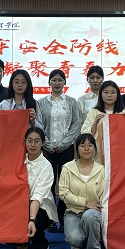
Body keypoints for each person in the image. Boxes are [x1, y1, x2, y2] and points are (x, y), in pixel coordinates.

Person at [37, 69, 82, 232]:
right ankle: (49, 219)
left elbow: (76, 124)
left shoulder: (72, 102)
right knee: (47, 184)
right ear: (49, 82)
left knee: (65, 184)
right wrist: (47, 144)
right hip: (47, 149)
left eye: (60, 80)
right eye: (54, 80)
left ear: (64, 82)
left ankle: (63, 219)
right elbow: (39, 124)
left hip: (66, 149)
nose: (57, 83)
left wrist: (63, 144)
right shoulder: (41, 102)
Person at [59, 134, 105, 249]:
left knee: (89, 216)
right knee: (74, 239)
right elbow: (63, 193)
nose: (86, 149)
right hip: (73, 211)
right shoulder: (67, 168)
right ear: (77, 149)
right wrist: (84, 203)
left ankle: (94, 248)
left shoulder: (101, 170)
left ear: (95, 148)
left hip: (94, 212)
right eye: (82, 146)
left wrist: (97, 206)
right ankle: (84, 241)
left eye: (90, 145)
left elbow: (105, 193)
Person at [24, 127, 58, 249]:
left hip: (41, 210)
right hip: (20, 205)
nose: (33, 145)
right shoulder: (18, 161)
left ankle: (42, 246)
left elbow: (37, 197)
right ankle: (22, 241)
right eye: (29, 141)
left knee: (32, 212)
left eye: (37, 141)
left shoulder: (46, 166)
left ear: (42, 143)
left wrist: (32, 219)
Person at [81, 81, 125, 164]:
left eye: (113, 92)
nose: (109, 95)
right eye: (106, 92)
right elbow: (84, 133)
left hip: (119, 153)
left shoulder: (124, 112)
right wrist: (95, 123)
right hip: (99, 154)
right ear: (100, 94)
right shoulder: (94, 112)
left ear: (118, 95)